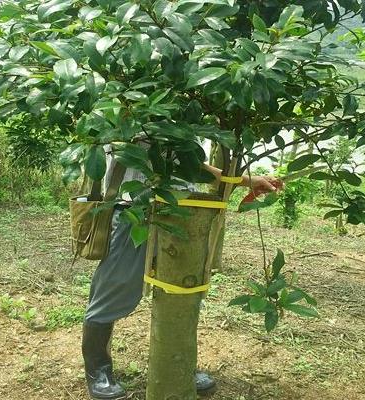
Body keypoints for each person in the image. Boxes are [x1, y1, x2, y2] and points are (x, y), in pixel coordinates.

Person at [82, 157, 281, 399]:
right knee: (115, 287)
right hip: (134, 208)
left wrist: (248, 181)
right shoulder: (132, 121)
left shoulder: (190, 122)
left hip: (185, 209)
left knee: (181, 289)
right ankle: (97, 371)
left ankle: (178, 367)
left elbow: (192, 164)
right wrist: (247, 181)